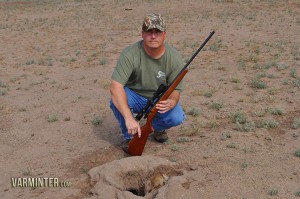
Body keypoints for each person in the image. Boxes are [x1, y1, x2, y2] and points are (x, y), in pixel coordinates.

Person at [109, 13, 186, 152]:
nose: (153, 36)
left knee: (176, 116)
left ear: (164, 34)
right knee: (116, 99)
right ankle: (130, 136)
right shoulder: (130, 54)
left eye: (158, 32)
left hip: (158, 99)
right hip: (134, 95)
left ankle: (155, 128)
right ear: (142, 34)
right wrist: (129, 118)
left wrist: (172, 102)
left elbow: (176, 90)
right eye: (149, 31)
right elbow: (115, 87)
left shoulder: (175, 58)